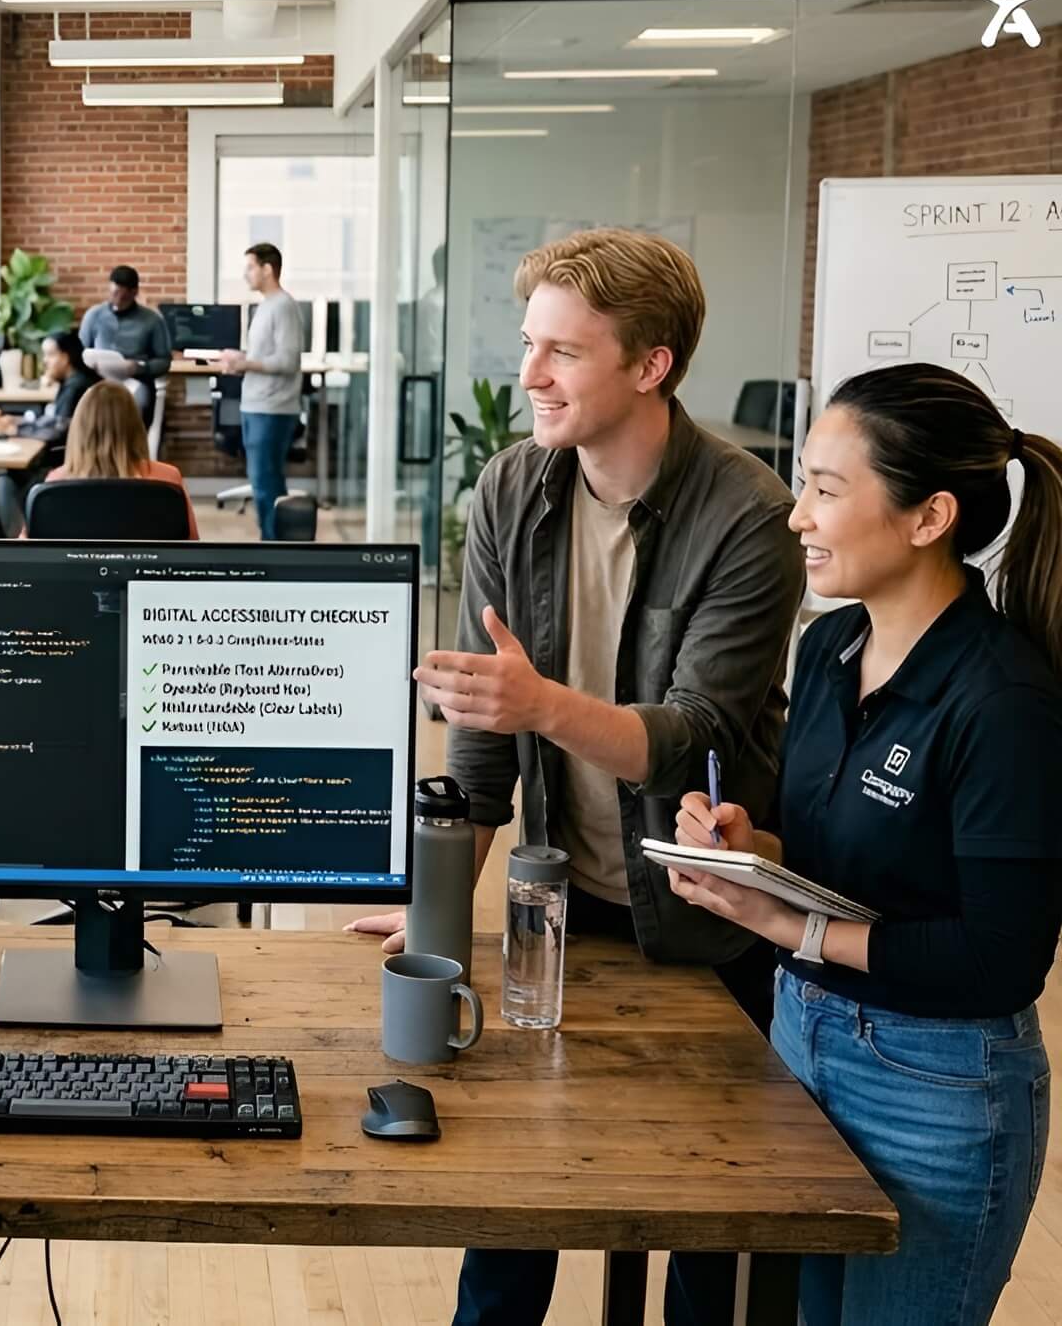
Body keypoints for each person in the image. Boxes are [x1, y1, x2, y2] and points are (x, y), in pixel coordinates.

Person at [348, 228, 804, 1326]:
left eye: (562, 351)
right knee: (510, 1212)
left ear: (649, 365)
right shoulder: (510, 487)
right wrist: (433, 906)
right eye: (527, 344)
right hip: (560, 909)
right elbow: (479, 744)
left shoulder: (748, 513)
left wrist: (535, 701)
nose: (530, 375)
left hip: (710, 914)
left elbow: (690, 726)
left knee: (710, 1227)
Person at [668, 362, 1062, 1325]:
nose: (798, 516)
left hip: (937, 1086)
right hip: (803, 1037)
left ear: (930, 517)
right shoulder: (828, 647)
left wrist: (788, 928)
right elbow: (834, 851)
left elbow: (999, 960)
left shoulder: (1003, 703)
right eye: (803, 481)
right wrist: (750, 847)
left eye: (827, 491)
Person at [31, 381, 198, 538]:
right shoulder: (168, 479)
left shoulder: (55, 484)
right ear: (136, 427)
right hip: (147, 568)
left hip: (76, 570)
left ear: (79, 428)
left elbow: (32, 551)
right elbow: (190, 547)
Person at [218, 242, 305, 539]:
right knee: (262, 483)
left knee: (267, 484)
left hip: (273, 408)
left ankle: (275, 547)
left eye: (250, 267)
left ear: (268, 269)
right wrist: (241, 357)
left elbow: (288, 360)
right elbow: (267, 355)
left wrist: (245, 364)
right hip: (255, 404)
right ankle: (271, 542)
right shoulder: (266, 306)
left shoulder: (283, 306)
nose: (246, 275)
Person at [0, 328, 99, 533]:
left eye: (50, 355)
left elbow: (58, 429)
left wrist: (13, 428)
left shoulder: (76, 386)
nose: (44, 361)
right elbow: (56, 421)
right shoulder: (76, 381)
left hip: (66, 465)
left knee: (5, 480)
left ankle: (20, 539)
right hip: (75, 461)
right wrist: (17, 423)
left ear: (65, 357)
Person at [79, 264, 171, 429]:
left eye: (123, 297)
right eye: (114, 294)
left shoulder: (152, 320)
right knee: (85, 404)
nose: (117, 301)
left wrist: (139, 368)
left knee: (134, 405)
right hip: (98, 379)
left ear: (134, 293)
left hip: (135, 380)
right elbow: (78, 352)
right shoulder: (94, 315)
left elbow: (164, 361)